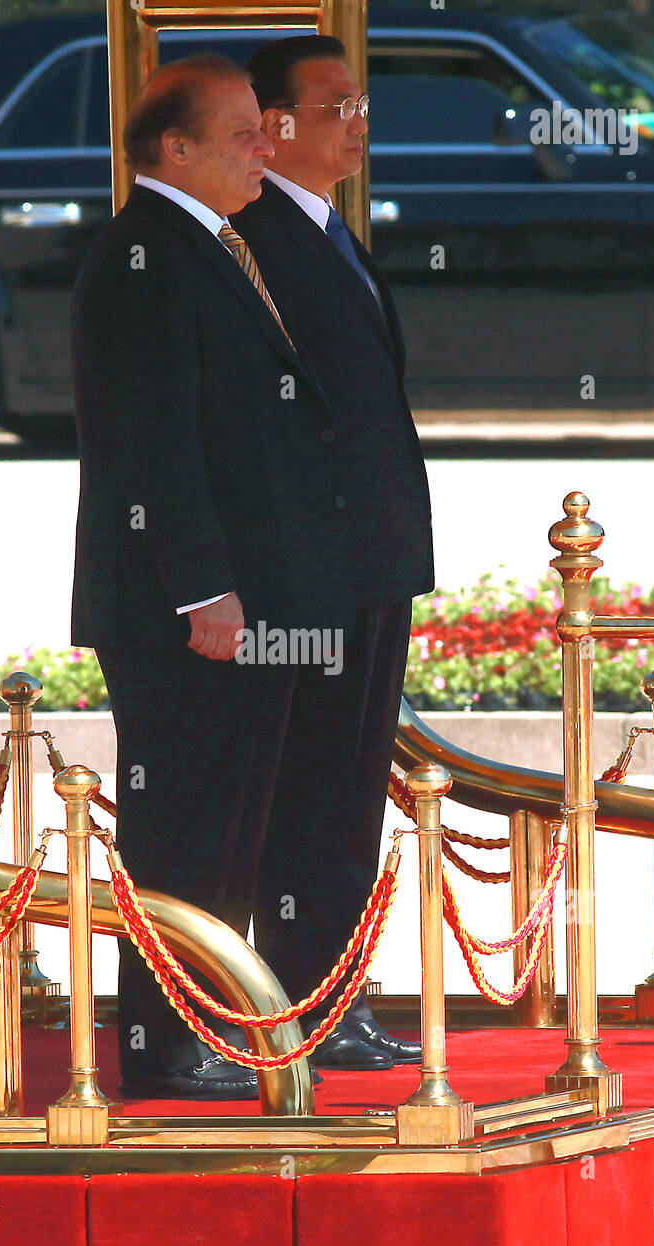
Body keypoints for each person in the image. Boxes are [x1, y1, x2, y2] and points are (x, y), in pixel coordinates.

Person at [70, 51, 431, 1099]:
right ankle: (163, 1041)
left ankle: (217, 1026)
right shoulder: (144, 254)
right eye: (239, 132)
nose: (257, 148)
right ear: (174, 149)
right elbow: (152, 446)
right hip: (185, 609)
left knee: (236, 820)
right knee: (186, 826)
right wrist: (201, 588)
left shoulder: (210, 244)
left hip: (264, 588)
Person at [232, 34, 435, 1066]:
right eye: (335, 107)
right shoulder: (252, 236)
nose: (356, 124)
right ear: (271, 128)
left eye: (359, 105)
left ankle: (338, 995)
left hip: (369, 556)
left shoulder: (327, 228)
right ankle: (309, 1001)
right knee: (313, 791)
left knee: (350, 788)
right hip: (314, 566)